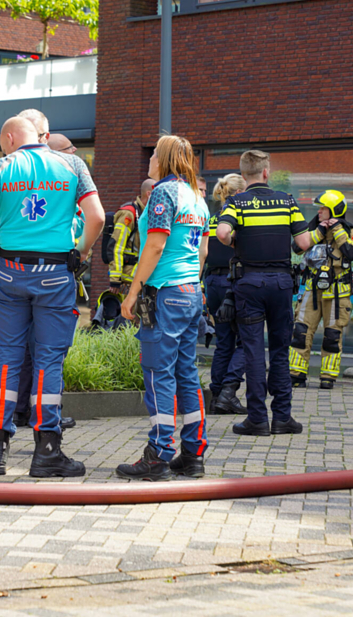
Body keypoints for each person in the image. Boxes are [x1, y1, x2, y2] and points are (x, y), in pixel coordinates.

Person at [0, 116, 104, 477]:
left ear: (11, 138)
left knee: (7, 358)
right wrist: (81, 251)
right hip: (55, 275)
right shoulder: (72, 164)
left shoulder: (1, 166)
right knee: (48, 362)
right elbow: (97, 217)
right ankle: (46, 452)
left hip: (9, 273)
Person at [118, 135, 210, 480]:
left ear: (166, 159)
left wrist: (132, 293)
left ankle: (158, 455)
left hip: (165, 294)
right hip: (190, 293)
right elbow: (202, 254)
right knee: (187, 374)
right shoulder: (197, 198)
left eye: (155, 153)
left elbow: (155, 247)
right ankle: (193, 454)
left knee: (159, 375)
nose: (151, 158)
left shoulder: (163, 193)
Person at [216, 150, 317, 436]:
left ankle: (257, 419)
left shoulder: (237, 202)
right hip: (282, 284)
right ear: (265, 172)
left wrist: (238, 241)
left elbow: (222, 234)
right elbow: (304, 241)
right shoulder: (286, 201)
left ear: (243, 173)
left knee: (252, 351)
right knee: (280, 351)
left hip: (249, 284)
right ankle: (283, 417)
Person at [288, 190, 353, 389]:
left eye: (323, 208)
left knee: (332, 336)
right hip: (312, 290)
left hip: (338, 292)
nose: (319, 212)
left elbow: (352, 252)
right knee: (301, 331)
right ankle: (296, 375)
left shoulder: (351, 232)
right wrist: (319, 231)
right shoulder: (313, 229)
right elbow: (297, 247)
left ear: (334, 210)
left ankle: (327, 378)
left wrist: (337, 230)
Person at [205, 173, 247, 414]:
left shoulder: (212, 218)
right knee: (245, 340)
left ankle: (217, 395)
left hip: (212, 282)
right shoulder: (238, 218)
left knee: (223, 343)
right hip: (235, 283)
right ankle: (229, 394)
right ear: (240, 193)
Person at [108, 178, 156, 294]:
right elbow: (116, 247)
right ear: (149, 194)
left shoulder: (149, 215)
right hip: (128, 279)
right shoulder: (129, 214)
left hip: (142, 276)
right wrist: (115, 280)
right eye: (158, 194)